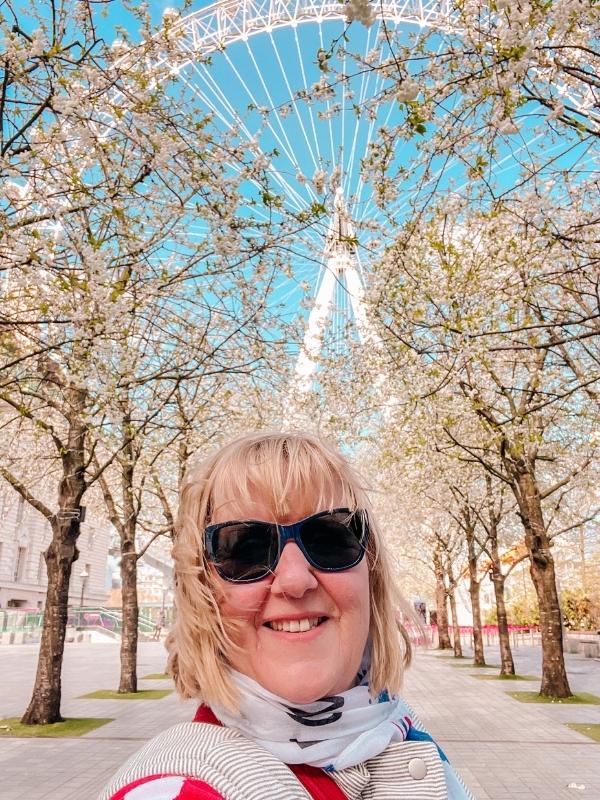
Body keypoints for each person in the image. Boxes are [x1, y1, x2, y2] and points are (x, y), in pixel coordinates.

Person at [99, 431, 473, 800]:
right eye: (247, 548)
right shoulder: (183, 788)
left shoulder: (394, 726)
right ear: (201, 591)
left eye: (329, 537)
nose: (295, 580)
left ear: (370, 572)